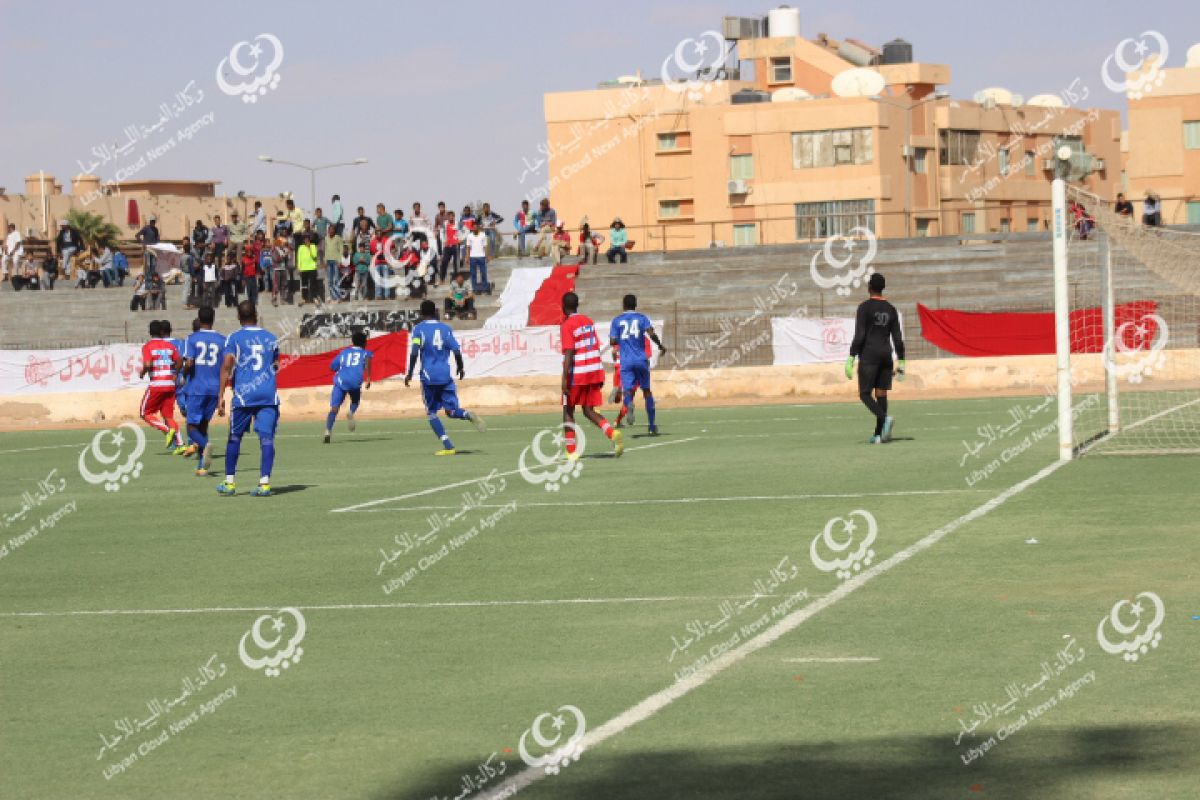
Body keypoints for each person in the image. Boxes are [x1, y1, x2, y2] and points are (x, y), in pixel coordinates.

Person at [404, 299, 486, 455]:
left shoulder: (418, 330)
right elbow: (456, 350)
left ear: (421, 313)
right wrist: (461, 367)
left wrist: (409, 372)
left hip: (429, 376)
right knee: (451, 411)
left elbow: (414, 351)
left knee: (431, 413)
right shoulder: (445, 329)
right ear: (435, 311)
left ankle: (448, 445)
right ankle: (467, 414)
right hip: (445, 374)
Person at [216, 301, 280, 497]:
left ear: (238, 316)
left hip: (244, 395)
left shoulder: (234, 338)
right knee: (266, 439)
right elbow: (276, 363)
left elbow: (227, 364)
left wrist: (221, 395)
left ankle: (230, 482)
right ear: (256, 314)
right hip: (268, 394)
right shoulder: (271, 337)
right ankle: (265, 483)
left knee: (235, 437)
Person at [560, 291, 623, 459]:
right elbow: (594, 346)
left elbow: (569, 352)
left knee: (568, 409)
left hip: (577, 374)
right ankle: (611, 432)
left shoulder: (567, 325)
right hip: (593, 371)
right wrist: (600, 374)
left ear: (563, 307)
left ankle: (571, 452)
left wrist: (564, 379)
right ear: (577, 305)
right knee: (588, 410)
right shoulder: (588, 321)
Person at [845, 272, 905, 444]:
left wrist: (851, 356)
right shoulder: (891, 309)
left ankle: (884, 418)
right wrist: (902, 361)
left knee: (864, 394)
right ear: (882, 288)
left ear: (869, 287)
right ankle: (879, 435)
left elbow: (860, 335)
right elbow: (898, 338)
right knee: (881, 394)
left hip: (870, 356)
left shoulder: (864, 308)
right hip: (886, 355)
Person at [610, 294, 665, 435]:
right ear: (635, 305)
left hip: (626, 361)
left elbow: (612, 341)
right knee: (647, 391)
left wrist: (622, 341)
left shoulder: (616, 320)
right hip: (641, 359)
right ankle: (652, 426)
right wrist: (660, 345)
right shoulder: (642, 318)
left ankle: (629, 404)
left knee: (628, 391)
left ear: (623, 306)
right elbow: (651, 334)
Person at [183, 307, 225, 474]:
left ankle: (204, 444)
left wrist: (183, 374)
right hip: (214, 389)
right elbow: (226, 366)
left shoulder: (192, 339)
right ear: (213, 319)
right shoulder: (223, 340)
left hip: (197, 387)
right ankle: (202, 466)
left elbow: (189, 363)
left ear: (199, 320)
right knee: (203, 426)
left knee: (191, 428)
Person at [139, 320, 186, 453]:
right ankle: (181, 444)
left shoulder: (148, 346)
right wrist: (175, 374)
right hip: (170, 384)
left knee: (145, 413)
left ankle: (167, 430)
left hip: (157, 384)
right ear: (161, 332)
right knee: (168, 416)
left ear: (149, 332)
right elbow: (180, 361)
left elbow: (148, 364)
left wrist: (142, 373)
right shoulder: (169, 346)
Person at [325, 331, 373, 443]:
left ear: (353, 342)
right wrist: (369, 377)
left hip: (341, 381)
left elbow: (332, 367)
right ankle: (351, 412)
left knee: (334, 408)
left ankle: (328, 430)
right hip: (355, 382)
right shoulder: (366, 353)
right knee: (355, 400)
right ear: (364, 343)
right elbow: (368, 360)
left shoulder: (343, 352)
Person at [56, 219, 84, 284]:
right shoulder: (61, 232)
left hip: (72, 247)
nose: (62, 227)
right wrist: (58, 251)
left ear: (67, 225)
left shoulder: (74, 231)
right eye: (61, 226)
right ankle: (67, 274)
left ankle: (63, 267)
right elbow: (58, 241)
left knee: (66, 254)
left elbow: (80, 239)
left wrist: (81, 248)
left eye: (63, 225)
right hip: (64, 247)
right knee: (67, 259)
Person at [465, 221, 489, 294]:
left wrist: (487, 256)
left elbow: (485, 246)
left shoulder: (483, 235)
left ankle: (484, 289)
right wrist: (467, 257)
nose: (475, 228)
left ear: (478, 227)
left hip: (481, 256)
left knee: (483, 273)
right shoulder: (469, 236)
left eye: (476, 226)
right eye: (474, 227)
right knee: (473, 274)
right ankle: (474, 289)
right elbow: (468, 247)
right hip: (473, 257)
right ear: (472, 228)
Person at [296, 233, 320, 305]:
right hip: (303, 268)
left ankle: (314, 298)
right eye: (305, 240)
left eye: (307, 239)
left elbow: (314, 257)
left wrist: (309, 248)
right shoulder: (300, 247)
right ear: (303, 241)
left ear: (309, 240)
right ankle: (304, 299)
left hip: (312, 268)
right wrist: (298, 267)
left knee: (313, 284)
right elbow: (299, 257)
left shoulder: (313, 246)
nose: (306, 241)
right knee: (304, 285)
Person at [324, 225, 345, 301]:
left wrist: (340, 261)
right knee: (330, 281)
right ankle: (332, 296)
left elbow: (341, 250)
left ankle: (338, 296)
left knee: (336, 279)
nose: (331, 231)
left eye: (332, 230)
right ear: (328, 230)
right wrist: (325, 260)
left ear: (334, 231)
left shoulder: (338, 238)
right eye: (330, 230)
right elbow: (325, 249)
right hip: (328, 261)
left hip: (336, 261)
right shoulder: (326, 238)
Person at [439, 210, 460, 284]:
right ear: (447, 217)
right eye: (449, 216)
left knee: (456, 263)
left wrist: (461, 239)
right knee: (444, 262)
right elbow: (441, 232)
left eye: (452, 216)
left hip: (455, 245)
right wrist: (443, 241)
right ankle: (442, 279)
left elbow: (464, 230)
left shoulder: (457, 223)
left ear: (454, 217)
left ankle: (457, 278)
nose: (451, 217)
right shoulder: (445, 224)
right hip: (447, 245)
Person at [370, 228, 391, 300]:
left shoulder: (386, 240)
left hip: (385, 262)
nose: (379, 234)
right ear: (375, 234)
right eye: (377, 233)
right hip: (377, 263)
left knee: (386, 279)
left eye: (380, 233)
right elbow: (371, 253)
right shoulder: (372, 242)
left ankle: (387, 295)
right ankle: (378, 295)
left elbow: (392, 248)